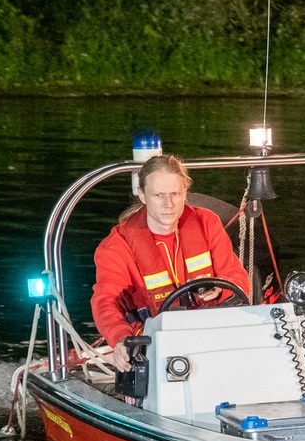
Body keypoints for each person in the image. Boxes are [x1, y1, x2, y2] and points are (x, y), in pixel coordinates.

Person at [91, 154, 251, 372]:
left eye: (175, 194)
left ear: (185, 193)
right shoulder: (117, 246)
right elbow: (105, 301)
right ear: (142, 195)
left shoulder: (207, 223)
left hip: (213, 339)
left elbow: (238, 277)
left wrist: (220, 286)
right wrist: (120, 339)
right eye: (159, 195)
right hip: (154, 348)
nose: (169, 204)